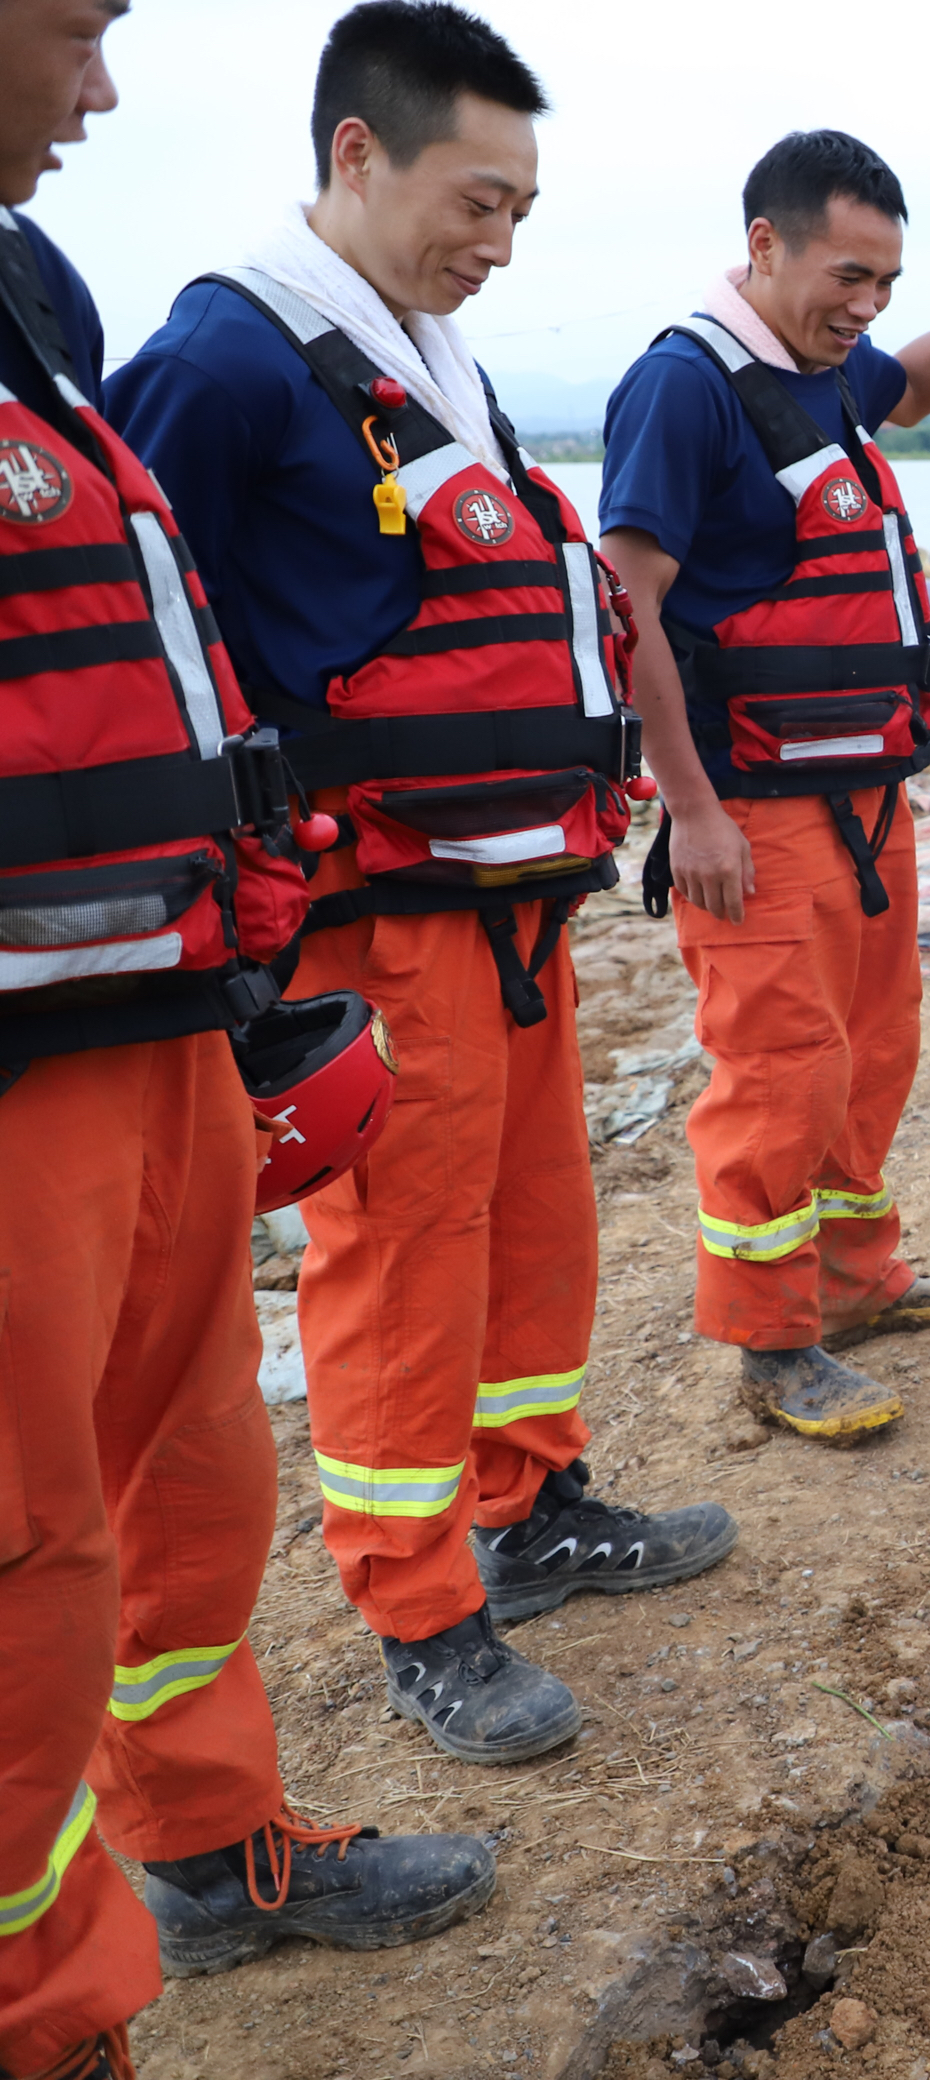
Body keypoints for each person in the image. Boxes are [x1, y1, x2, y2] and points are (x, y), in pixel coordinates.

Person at [112, 0, 735, 1772]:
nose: (503, 240)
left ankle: (528, 1505)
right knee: (395, 1265)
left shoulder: (432, 360)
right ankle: (417, 1605)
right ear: (356, 154)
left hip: (517, 899)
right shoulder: (228, 363)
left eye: (526, 208)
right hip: (379, 911)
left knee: (534, 1229)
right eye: (478, 199)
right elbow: (156, 643)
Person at [0, 6, 494, 2066]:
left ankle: (208, 1843)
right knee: (21, 1546)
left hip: (154, 1020)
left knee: (189, 1471)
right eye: (83, 32)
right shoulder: (209, 347)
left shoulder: (33, 296)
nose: (106, 92)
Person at [599, 132, 930, 1438]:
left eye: (889, 281)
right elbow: (628, 607)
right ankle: (772, 1340)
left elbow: (908, 387)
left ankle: (860, 1278)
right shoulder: (683, 389)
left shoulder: (823, 370)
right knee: (781, 1068)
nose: (867, 306)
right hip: (750, 802)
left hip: (866, 785)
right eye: (848, 275)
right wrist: (687, 809)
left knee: (875, 1044)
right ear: (764, 246)